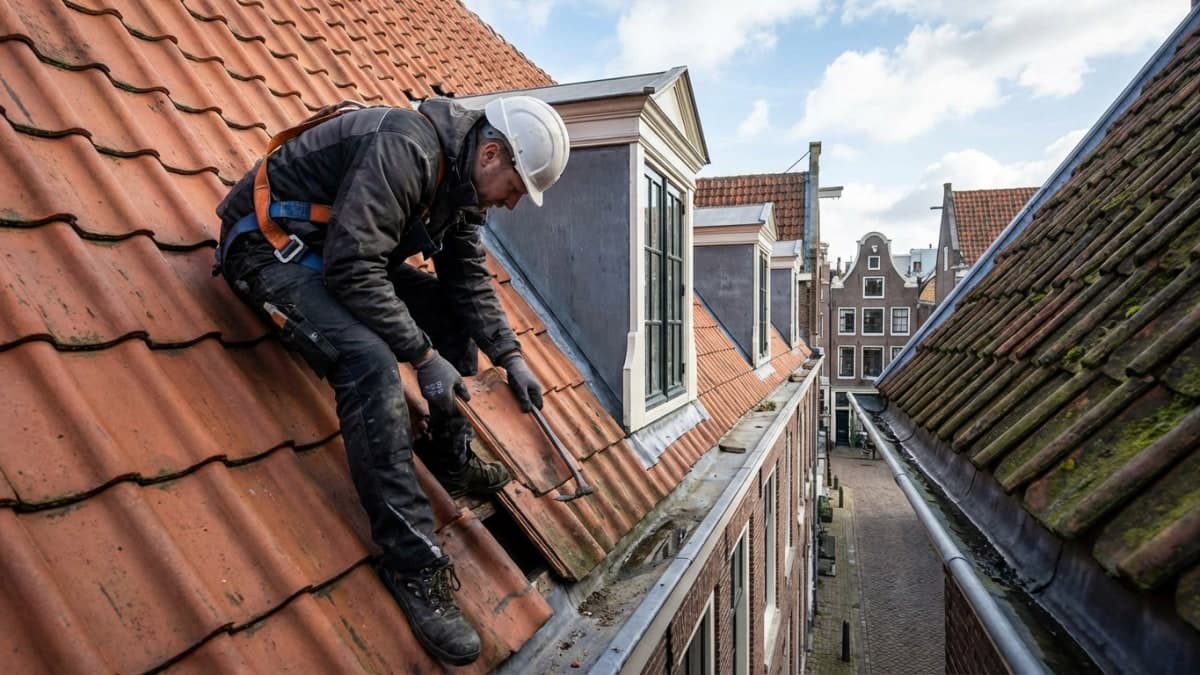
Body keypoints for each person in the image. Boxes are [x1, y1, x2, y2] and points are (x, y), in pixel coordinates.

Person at [213, 95, 570, 665]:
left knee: (453, 318)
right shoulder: (406, 148)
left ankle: (450, 455)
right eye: (516, 188)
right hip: (270, 250)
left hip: (336, 254)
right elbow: (353, 268)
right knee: (371, 364)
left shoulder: (463, 182)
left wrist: (511, 356)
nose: (513, 202)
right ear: (491, 154)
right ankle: (414, 566)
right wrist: (423, 357)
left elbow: (465, 278)